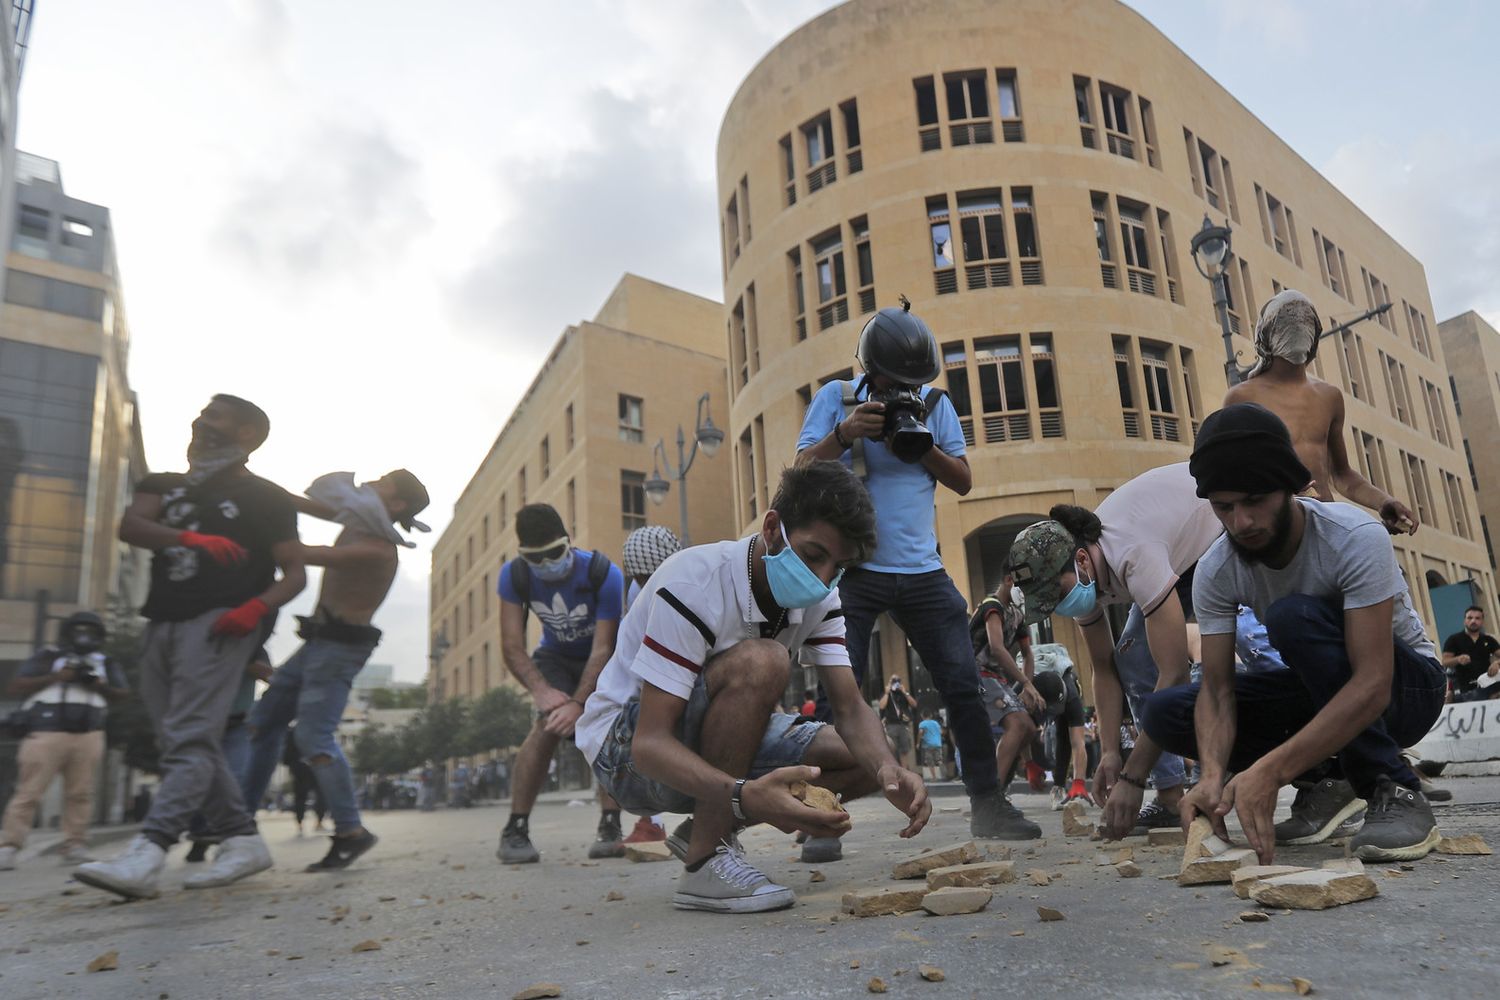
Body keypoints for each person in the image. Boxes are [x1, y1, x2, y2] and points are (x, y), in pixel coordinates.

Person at [577, 461, 930, 912]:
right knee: (766, 659)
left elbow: (849, 708)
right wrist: (746, 796)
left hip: (700, 740)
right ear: (772, 528)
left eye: (838, 567)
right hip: (625, 755)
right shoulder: (694, 582)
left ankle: (704, 828)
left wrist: (889, 771)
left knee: (866, 754)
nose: (822, 579)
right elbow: (649, 745)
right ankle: (705, 860)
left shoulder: (821, 597)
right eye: (813, 555)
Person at [1143, 403, 1447, 862]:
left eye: (1254, 500)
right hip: (1321, 689)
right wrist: (1211, 777)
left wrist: (1273, 771)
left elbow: (1372, 683)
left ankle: (1394, 787)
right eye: (1224, 507)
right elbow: (1219, 693)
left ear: (1288, 487)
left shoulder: (1353, 536)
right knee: (1166, 711)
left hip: (1407, 689)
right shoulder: (1216, 569)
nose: (1241, 522)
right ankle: (1327, 780)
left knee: (1292, 617)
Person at [796, 300, 1036, 842]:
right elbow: (801, 470)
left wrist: (919, 446)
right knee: (840, 692)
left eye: (911, 381)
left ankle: (988, 804)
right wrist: (846, 434)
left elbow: (963, 480)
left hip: (924, 572)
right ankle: (817, 819)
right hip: (854, 570)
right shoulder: (836, 399)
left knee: (963, 686)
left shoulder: (934, 404)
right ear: (870, 369)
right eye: (892, 381)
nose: (901, 390)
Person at [77, 395, 306, 900]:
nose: (201, 422)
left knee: (190, 735)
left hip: (220, 622)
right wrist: (191, 540)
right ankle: (242, 840)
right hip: (161, 619)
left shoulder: (267, 497)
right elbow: (131, 526)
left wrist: (254, 609)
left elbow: (294, 574)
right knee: (183, 741)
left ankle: (150, 852)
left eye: (215, 416)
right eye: (201, 414)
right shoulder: (163, 484)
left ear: (247, 434)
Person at [1007, 463, 1223, 839]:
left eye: (1057, 594)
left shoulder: (1132, 553)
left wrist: (1132, 777)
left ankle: (1267, 775)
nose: (1060, 605)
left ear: (1082, 560)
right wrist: (1109, 751)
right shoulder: (1082, 579)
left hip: (1216, 528)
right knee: (1131, 656)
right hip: (1176, 552)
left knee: (1230, 644)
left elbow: (1173, 672)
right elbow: (1104, 667)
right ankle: (1170, 796)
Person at [239, 469, 430, 872]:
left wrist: (246, 537)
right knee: (263, 721)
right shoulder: (357, 523)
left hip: (340, 649)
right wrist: (249, 483)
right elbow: (298, 503)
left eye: (383, 481)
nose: (371, 482)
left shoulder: (379, 548)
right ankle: (239, 824)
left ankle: (350, 831)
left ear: (396, 503)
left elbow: (306, 554)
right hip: (317, 644)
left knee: (314, 735)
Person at [1223, 289, 1418, 534]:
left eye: (1305, 320)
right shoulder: (1242, 398)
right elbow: (1233, 478)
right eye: (1287, 319)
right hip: (1277, 533)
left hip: (1326, 526)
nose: (1297, 325)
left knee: (1374, 540)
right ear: (1266, 334)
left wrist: (1384, 501)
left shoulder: (1329, 396)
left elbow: (1342, 475)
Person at [497, 503, 627, 864]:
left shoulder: (604, 573)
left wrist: (579, 703)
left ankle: (610, 825)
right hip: (554, 657)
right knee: (547, 726)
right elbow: (511, 645)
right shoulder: (513, 575)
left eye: (554, 553)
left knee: (603, 727)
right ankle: (515, 829)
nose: (546, 564)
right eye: (535, 558)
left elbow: (603, 648)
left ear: (568, 541)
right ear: (523, 555)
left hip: (600, 657)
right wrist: (542, 692)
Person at [0, 612, 129, 871]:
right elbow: (16, 686)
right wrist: (56, 677)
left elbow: (123, 694)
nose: (84, 636)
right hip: (46, 731)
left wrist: (97, 684)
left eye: (90, 631)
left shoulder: (105, 662)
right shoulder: (49, 656)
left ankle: (75, 844)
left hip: (88, 732)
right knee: (29, 791)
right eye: (79, 630)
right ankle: (9, 846)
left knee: (81, 793)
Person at [185, 649, 274, 864]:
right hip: (202, 720)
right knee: (202, 777)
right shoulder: (199, 641)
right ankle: (200, 836)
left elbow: (269, 676)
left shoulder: (254, 646)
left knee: (234, 778)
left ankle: (233, 838)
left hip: (238, 723)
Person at [969, 576, 1043, 796]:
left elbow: (1028, 654)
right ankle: (992, 796)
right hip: (975, 672)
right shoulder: (992, 607)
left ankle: (1000, 784)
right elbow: (997, 648)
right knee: (1017, 724)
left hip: (996, 676)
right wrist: (1026, 683)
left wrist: (1027, 688)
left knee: (1028, 727)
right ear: (1009, 580)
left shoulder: (1017, 615)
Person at [1442, 606, 1500, 702]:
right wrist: (1457, 659)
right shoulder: (1454, 639)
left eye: (1477, 618)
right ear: (1464, 620)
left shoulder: (1489, 640)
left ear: (1482, 621)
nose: (1473, 621)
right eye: (1470, 618)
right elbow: (1445, 661)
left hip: (1487, 685)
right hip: (1464, 688)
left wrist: (1497, 663)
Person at [877, 677, 918, 768]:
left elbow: (914, 704)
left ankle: (904, 771)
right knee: (892, 750)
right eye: (893, 681)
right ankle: (895, 770)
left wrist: (905, 692)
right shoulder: (887, 694)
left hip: (903, 725)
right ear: (889, 683)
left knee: (904, 750)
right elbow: (881, 706)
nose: (896, 683)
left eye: (898, 681)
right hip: (891, 725)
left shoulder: (904, 693)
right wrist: (887, 693)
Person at [915, 711, 944, 782]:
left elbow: (920, 732)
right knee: (939, 760)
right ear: (930, 715)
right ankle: (943, 775)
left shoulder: (922, 723)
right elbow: (941, 732)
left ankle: (934, 777)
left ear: (922, 716)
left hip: (928, 745)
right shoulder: (936, 723)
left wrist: (918, 743)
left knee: (930, 761)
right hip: (937, 744)